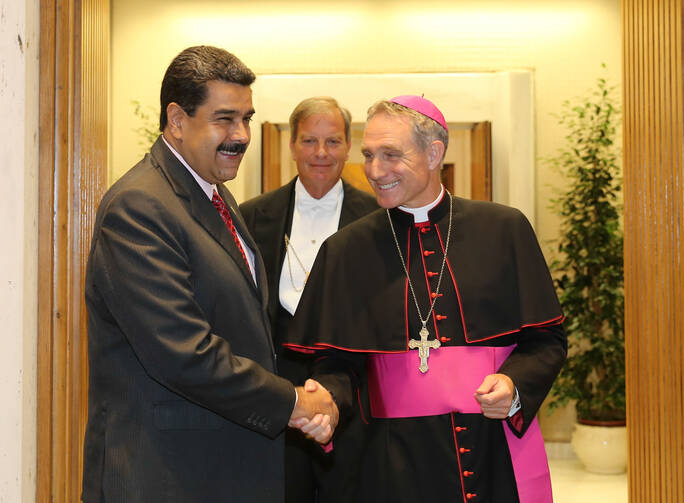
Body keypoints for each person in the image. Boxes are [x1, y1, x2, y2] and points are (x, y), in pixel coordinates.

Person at [81, 46, 335, 503]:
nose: (240, 136)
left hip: (217, 470)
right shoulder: (140, 206)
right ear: (176, 121)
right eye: (224, 119)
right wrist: (293, 402)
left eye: (246, 119)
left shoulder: (214, 196)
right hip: (166, 477)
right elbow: (184, 353)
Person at [285, 95, 567, 503]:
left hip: (492, 449)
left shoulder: (504, 230)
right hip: (386, 462)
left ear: (434, 153)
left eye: (391, 155)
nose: (375, 171)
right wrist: (327, 401)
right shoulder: (345, 250)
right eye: (368, 155)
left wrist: (514, 384)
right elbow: (339, 366)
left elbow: (546, 341)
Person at [240, 96, 379, 502]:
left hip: (352, 395)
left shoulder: (378, 220)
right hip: (274, 391)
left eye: (333, 142)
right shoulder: (250, 216)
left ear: (348, 147)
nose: (321, 153)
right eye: (309, 141)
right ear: (291, 145)